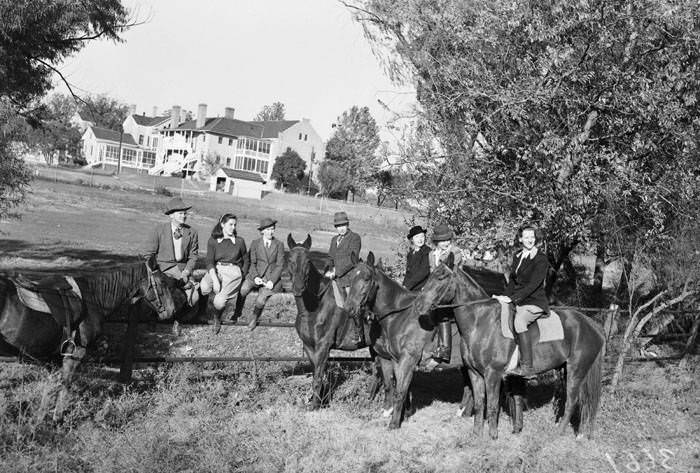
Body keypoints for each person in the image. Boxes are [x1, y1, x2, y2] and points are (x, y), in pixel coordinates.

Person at [493, 225, 550, 378]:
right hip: (519, 299)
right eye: (526, 237)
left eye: (532, 237)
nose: (530, 240)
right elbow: (512, 282)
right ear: (520, 239)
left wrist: (513, 299)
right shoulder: (518, 256)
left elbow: (534, 285)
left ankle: (527, 367)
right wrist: (503, 297)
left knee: (519, 322)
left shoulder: (541, 258)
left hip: (534, 301)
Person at [143, 197, 199, 306]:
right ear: (171, 215)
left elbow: (193, 256)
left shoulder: (192, 232)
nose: (184, 216)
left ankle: (179, 319)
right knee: (164, 296)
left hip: (182, 271)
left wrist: (187, 271)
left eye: (185, 213)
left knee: (194, 297)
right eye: (180, 213)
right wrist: (153, 271)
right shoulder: (159, 230)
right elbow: (148, 254)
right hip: (163, 270)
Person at [200, 214, 249, 334]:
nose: (233, 227)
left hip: (233, 272)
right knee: (204, 287)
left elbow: (246, 260)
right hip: (217, 268)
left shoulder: (239, 241)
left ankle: (217, 317)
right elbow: (209, 261)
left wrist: (242, 274)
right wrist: (215, 280)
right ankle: (200, 312)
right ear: (222, 224)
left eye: (235, 225)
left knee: (219, 302)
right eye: (230, 224)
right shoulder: (213, 241)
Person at [427, 223, 463, 367]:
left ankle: (444, 350)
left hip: (453, 288)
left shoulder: (455, 252)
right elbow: (432, 275)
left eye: (447, 239)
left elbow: (447, 270)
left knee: (441, 311)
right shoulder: (431, 254)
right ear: (436, 241)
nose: (445, 243)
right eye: (442, 240)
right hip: (438, 288)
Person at [239, 217, 285, 331]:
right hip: (256, 275)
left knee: (261, 299)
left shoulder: (279, 244)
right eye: (268, 229)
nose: (271, 232)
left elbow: (280, 265)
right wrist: (255, 277)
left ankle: (254, 317)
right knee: (243, 289)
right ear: (262, 231)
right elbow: (252, 262)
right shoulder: (255, 243)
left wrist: (272, 281)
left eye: (273, 229)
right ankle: (237, 311)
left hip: (270, 278)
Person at [325, 211, 362, 342]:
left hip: (349, 278)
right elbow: (330, 257)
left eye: (343, 225)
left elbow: (353, 259)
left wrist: (337, 271)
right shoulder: (334, 239)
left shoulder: (355, 238)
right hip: (335, 279)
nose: (340, 228)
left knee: (351, 306)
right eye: (338, 226)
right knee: (337, 307)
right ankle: (338, 331)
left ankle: (358, 332)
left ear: (347, 224)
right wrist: (329, 269)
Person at [402, 225, 431, 292]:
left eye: (422, 236)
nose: (420, 239)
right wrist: (403, 286)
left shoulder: (428, 252)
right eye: (417, 237)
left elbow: (423, 273)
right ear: (412, 239)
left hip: (422, 288)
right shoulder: (410, 254)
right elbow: (408, 273)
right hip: (410, 288)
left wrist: (407, 286)